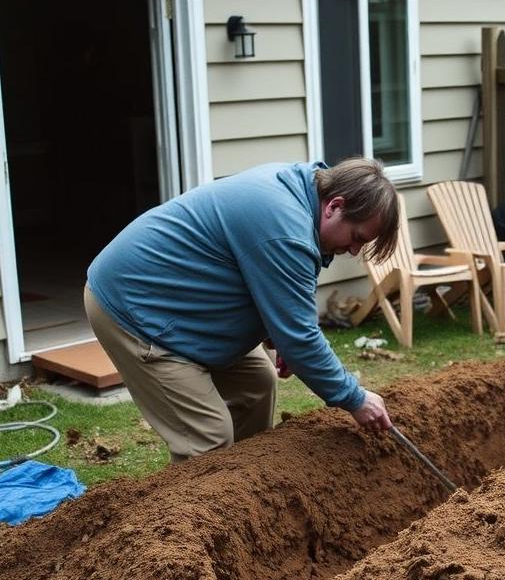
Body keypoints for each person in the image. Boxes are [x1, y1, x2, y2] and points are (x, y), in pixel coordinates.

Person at [85, 158, 399, 462]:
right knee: (207, 437)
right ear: (335, 206)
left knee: (257, 385)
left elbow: (275, 295)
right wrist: (355, 398)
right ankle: (197, 507)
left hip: (183, 306)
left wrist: (281, 330)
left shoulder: (304, 192)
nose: (355, 250)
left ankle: (246, 488)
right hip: (138, 309)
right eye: (357, 237)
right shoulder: (285, 228)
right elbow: (301, 339)